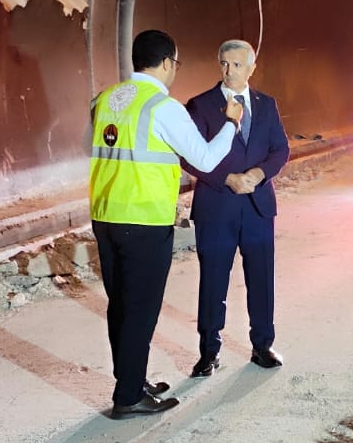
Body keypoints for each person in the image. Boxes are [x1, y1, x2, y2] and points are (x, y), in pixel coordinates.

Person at [89, 29, 240, 417]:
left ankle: (130, 380)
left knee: (120, 306)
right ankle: (128, 398)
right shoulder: (162, 106)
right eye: (176, 63)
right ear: (168, 62)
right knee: (140, 308)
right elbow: (205, 160)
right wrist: (231, 124)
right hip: (143, 219)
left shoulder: (105, 99)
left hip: (105, 216)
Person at [182, 40, 290, 375]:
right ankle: (209, 350)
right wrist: (227, 178)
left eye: (237, 65)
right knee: (213, 279)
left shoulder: (267, 105)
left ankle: (262, 345)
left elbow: (280, 150)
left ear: (252, 67)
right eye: (224, 64)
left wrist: (258, 174)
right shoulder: (200, 105)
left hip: (257, 206)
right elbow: (189, 156)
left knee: (261, 278)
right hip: (217, 205)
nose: (229, 71)